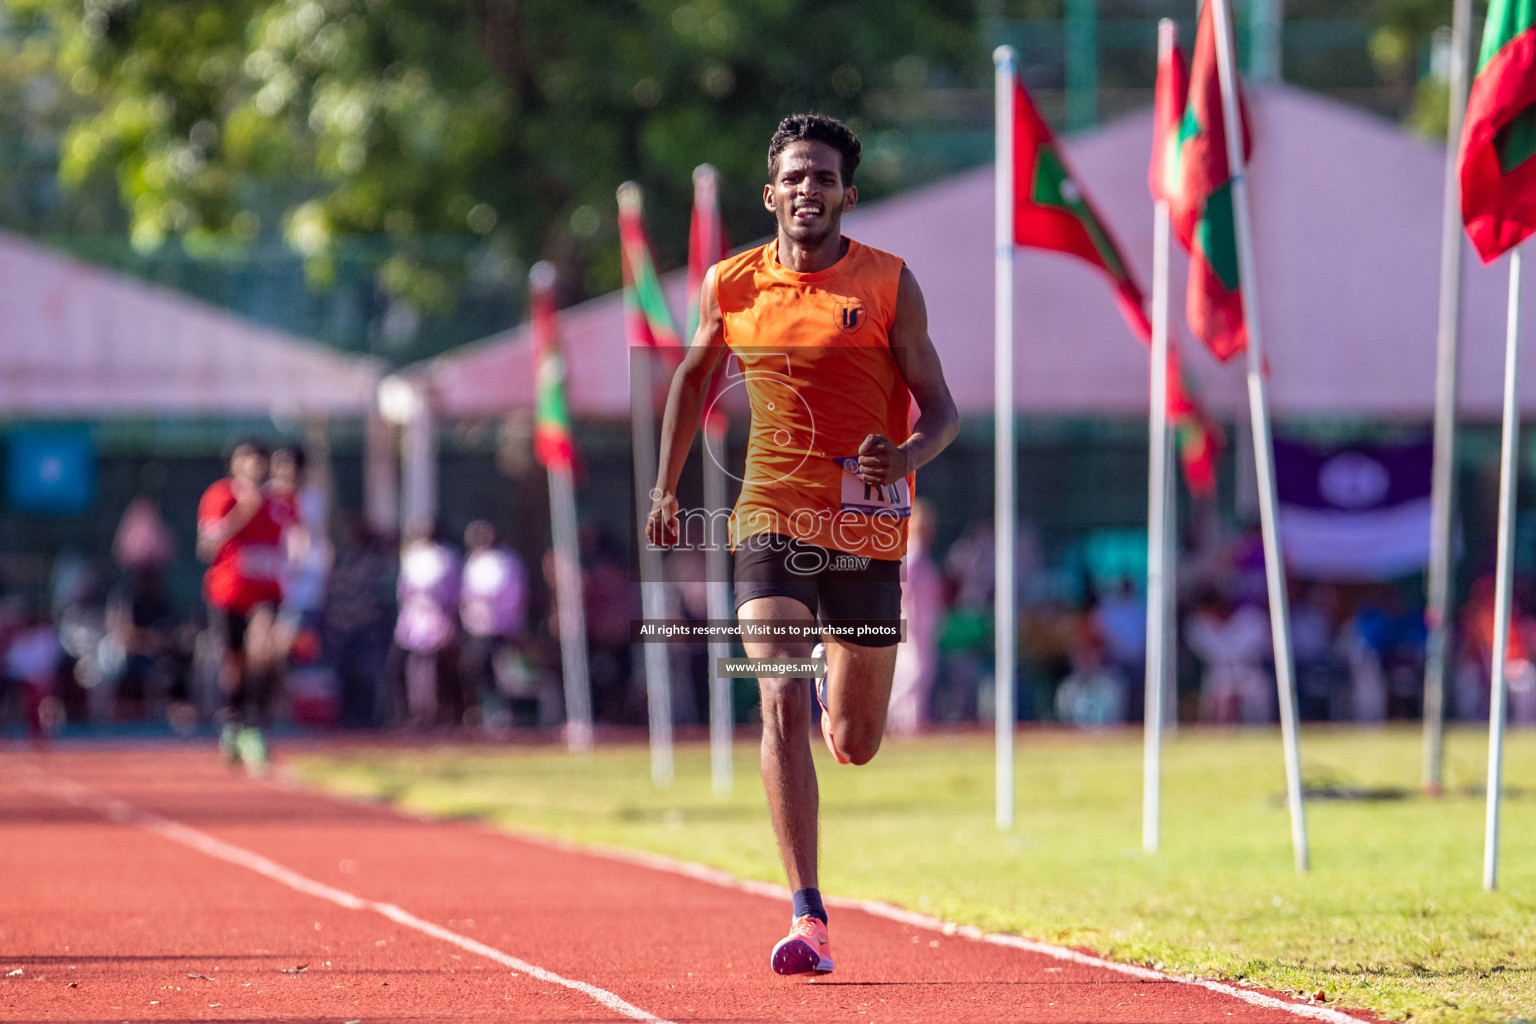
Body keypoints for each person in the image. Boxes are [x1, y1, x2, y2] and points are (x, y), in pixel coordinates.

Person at [647, 113, 958, 976]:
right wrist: (666, 488)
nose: (808, 190)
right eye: (794, 176)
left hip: (865, 524)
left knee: (855, 741)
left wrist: (908, 454)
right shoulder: (733, 283)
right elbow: (692, 376)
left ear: (846, 195)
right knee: (777, 685)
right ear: (770, 192)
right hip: (770, 514)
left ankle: (836, 702)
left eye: (824, 177)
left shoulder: (890, 283)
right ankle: (806, 913)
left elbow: (943, 410)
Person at [197, 439, 284, 773]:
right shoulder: (221, 496)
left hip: (266, 594)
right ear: (234, 464)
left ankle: (252, 723)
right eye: (245, 459)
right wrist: (242, 511)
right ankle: (233, 723)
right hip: (228, 593)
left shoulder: (278, 501)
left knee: (265, 652)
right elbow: (207, 546)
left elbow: (290, 543)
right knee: (234, 662)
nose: (253, 466)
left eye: (258, 459)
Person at [459, 520, 529, 730]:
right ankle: (488, 710)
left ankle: (508, 713)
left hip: (502, 627)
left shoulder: (506, 560)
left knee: (505, 672)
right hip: (477, 627)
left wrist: (509, 622)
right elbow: (466, 592)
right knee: (477, 669)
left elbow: (514, 594)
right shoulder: (474, 560)